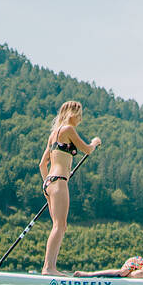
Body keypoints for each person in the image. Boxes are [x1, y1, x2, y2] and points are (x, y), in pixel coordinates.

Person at [39, 100, 101, 275]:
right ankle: (49, 268)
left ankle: (50, 267)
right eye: (79, 115)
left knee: (60, 226)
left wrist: (47, 188)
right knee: (59, 226)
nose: (80, 119)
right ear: (72, 114)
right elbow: (87, 150)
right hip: (59, 182)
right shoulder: (68, 130)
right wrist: (95, 142)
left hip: (49, 183)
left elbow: (42, 164)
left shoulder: (53, 135)